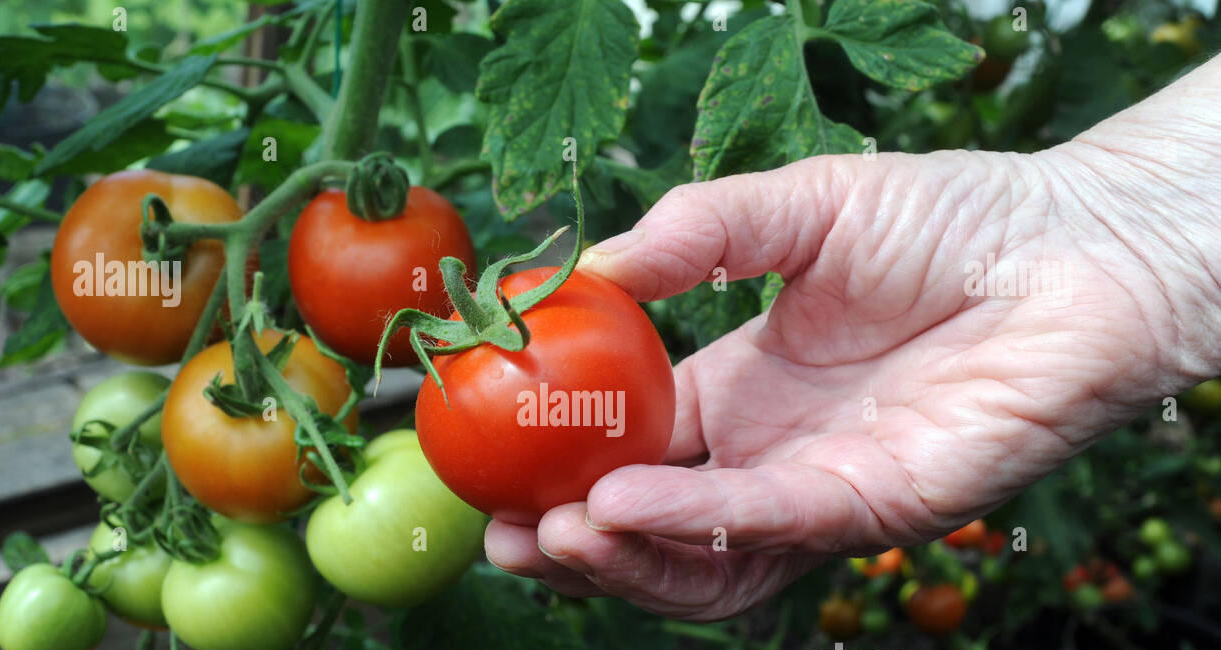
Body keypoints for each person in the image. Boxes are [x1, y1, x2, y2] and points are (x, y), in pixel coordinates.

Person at [485, 55, 1221, 621]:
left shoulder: (557, 314)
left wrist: (1114, 222)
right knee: (589, 524)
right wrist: (1122, 224)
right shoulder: (564, 314)